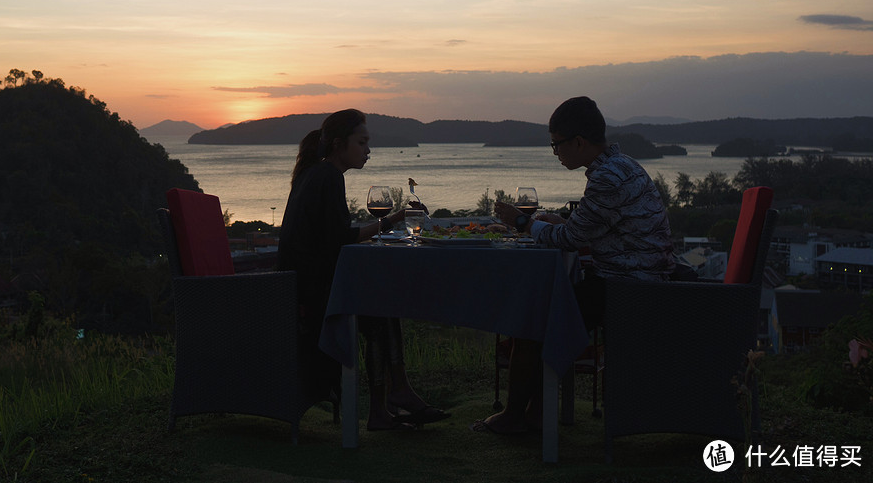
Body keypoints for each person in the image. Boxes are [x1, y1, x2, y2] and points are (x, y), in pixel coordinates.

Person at [476, 96, 674, 435]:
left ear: (578, 142)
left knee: (535, 314)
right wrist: (567, 220)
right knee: (546, 305)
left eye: (556, 145)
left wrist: (522, 222)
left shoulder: (607, 177)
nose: (556, 153)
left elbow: (569, 240)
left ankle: (515, 416)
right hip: (641, 278)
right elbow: (597, 224)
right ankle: (536, 413)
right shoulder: (622, 166)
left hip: (630, 287)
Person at [276, 109, 449, 431]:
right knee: (381, 304)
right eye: (362, 142)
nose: (368, 150)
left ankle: (390, 402)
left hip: (304, 284)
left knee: (382, 302)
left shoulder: (314, 174)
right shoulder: (327, 175)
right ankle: (392, 398)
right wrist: (392, 220)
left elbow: (329, 237)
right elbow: (340, 238)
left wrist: (390, 221)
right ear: (340, 144)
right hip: (313, 293)